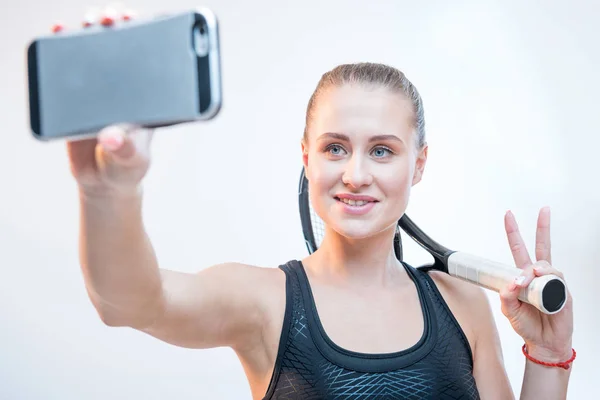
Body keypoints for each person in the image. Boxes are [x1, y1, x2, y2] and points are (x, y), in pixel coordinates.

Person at [65, 13, 575, 400]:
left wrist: (549, 358)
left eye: (382, 150)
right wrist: (107, 190)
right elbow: (127, 303)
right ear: (306, 158)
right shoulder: (264, 301)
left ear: (418, 164)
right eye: (335, 147)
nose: (355, 174)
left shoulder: (464, 304)